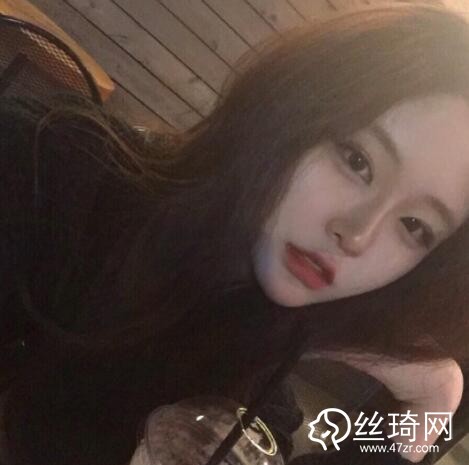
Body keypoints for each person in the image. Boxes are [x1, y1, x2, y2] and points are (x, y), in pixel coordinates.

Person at [1, 2, 469, 464]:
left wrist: (434, 399)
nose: (358, 235)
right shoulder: (48, 176)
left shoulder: (253, 373)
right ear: (290, 109)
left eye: (415, 226)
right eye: (356, 160)